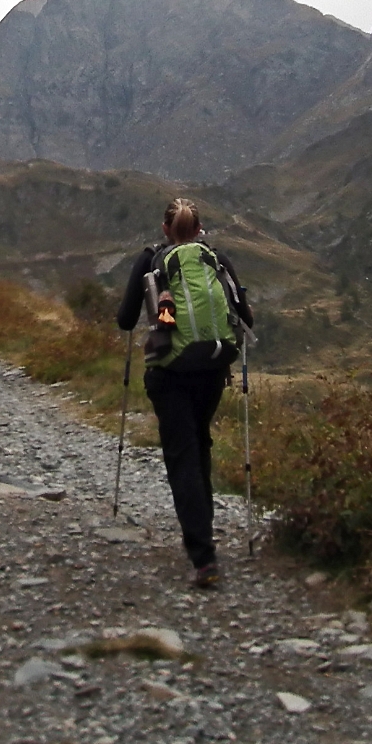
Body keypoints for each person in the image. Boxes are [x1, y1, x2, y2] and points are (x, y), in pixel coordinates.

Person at [117, 198, 253, 587]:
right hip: (212, 367)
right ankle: (204, 535)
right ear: (199, 230)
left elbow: (126, 320)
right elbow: (245, 318)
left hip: (170, 371)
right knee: (200, 444)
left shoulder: (150, 260)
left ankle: (203, 556)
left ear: (164, 230)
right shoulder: (217, 258)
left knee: (182, 456)